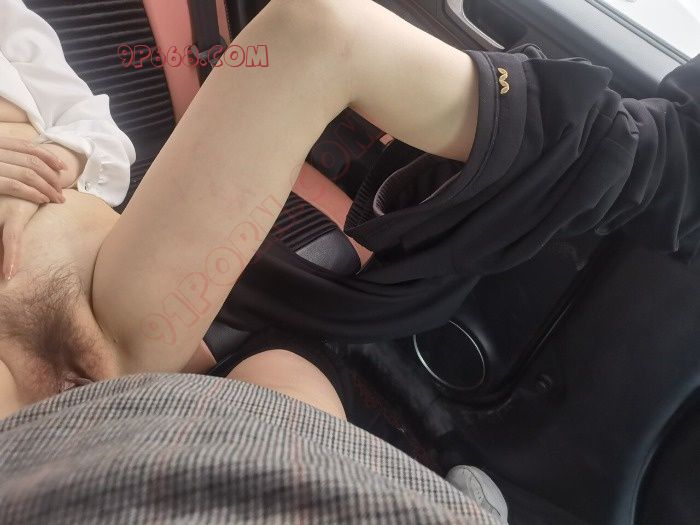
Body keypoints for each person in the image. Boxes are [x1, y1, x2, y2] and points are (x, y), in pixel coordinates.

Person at [0, 0, 698, 522]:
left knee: (314, 29)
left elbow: (94, 130)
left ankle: (655, 163)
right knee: (286, 432)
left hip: (110, 286)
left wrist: (72, 152)